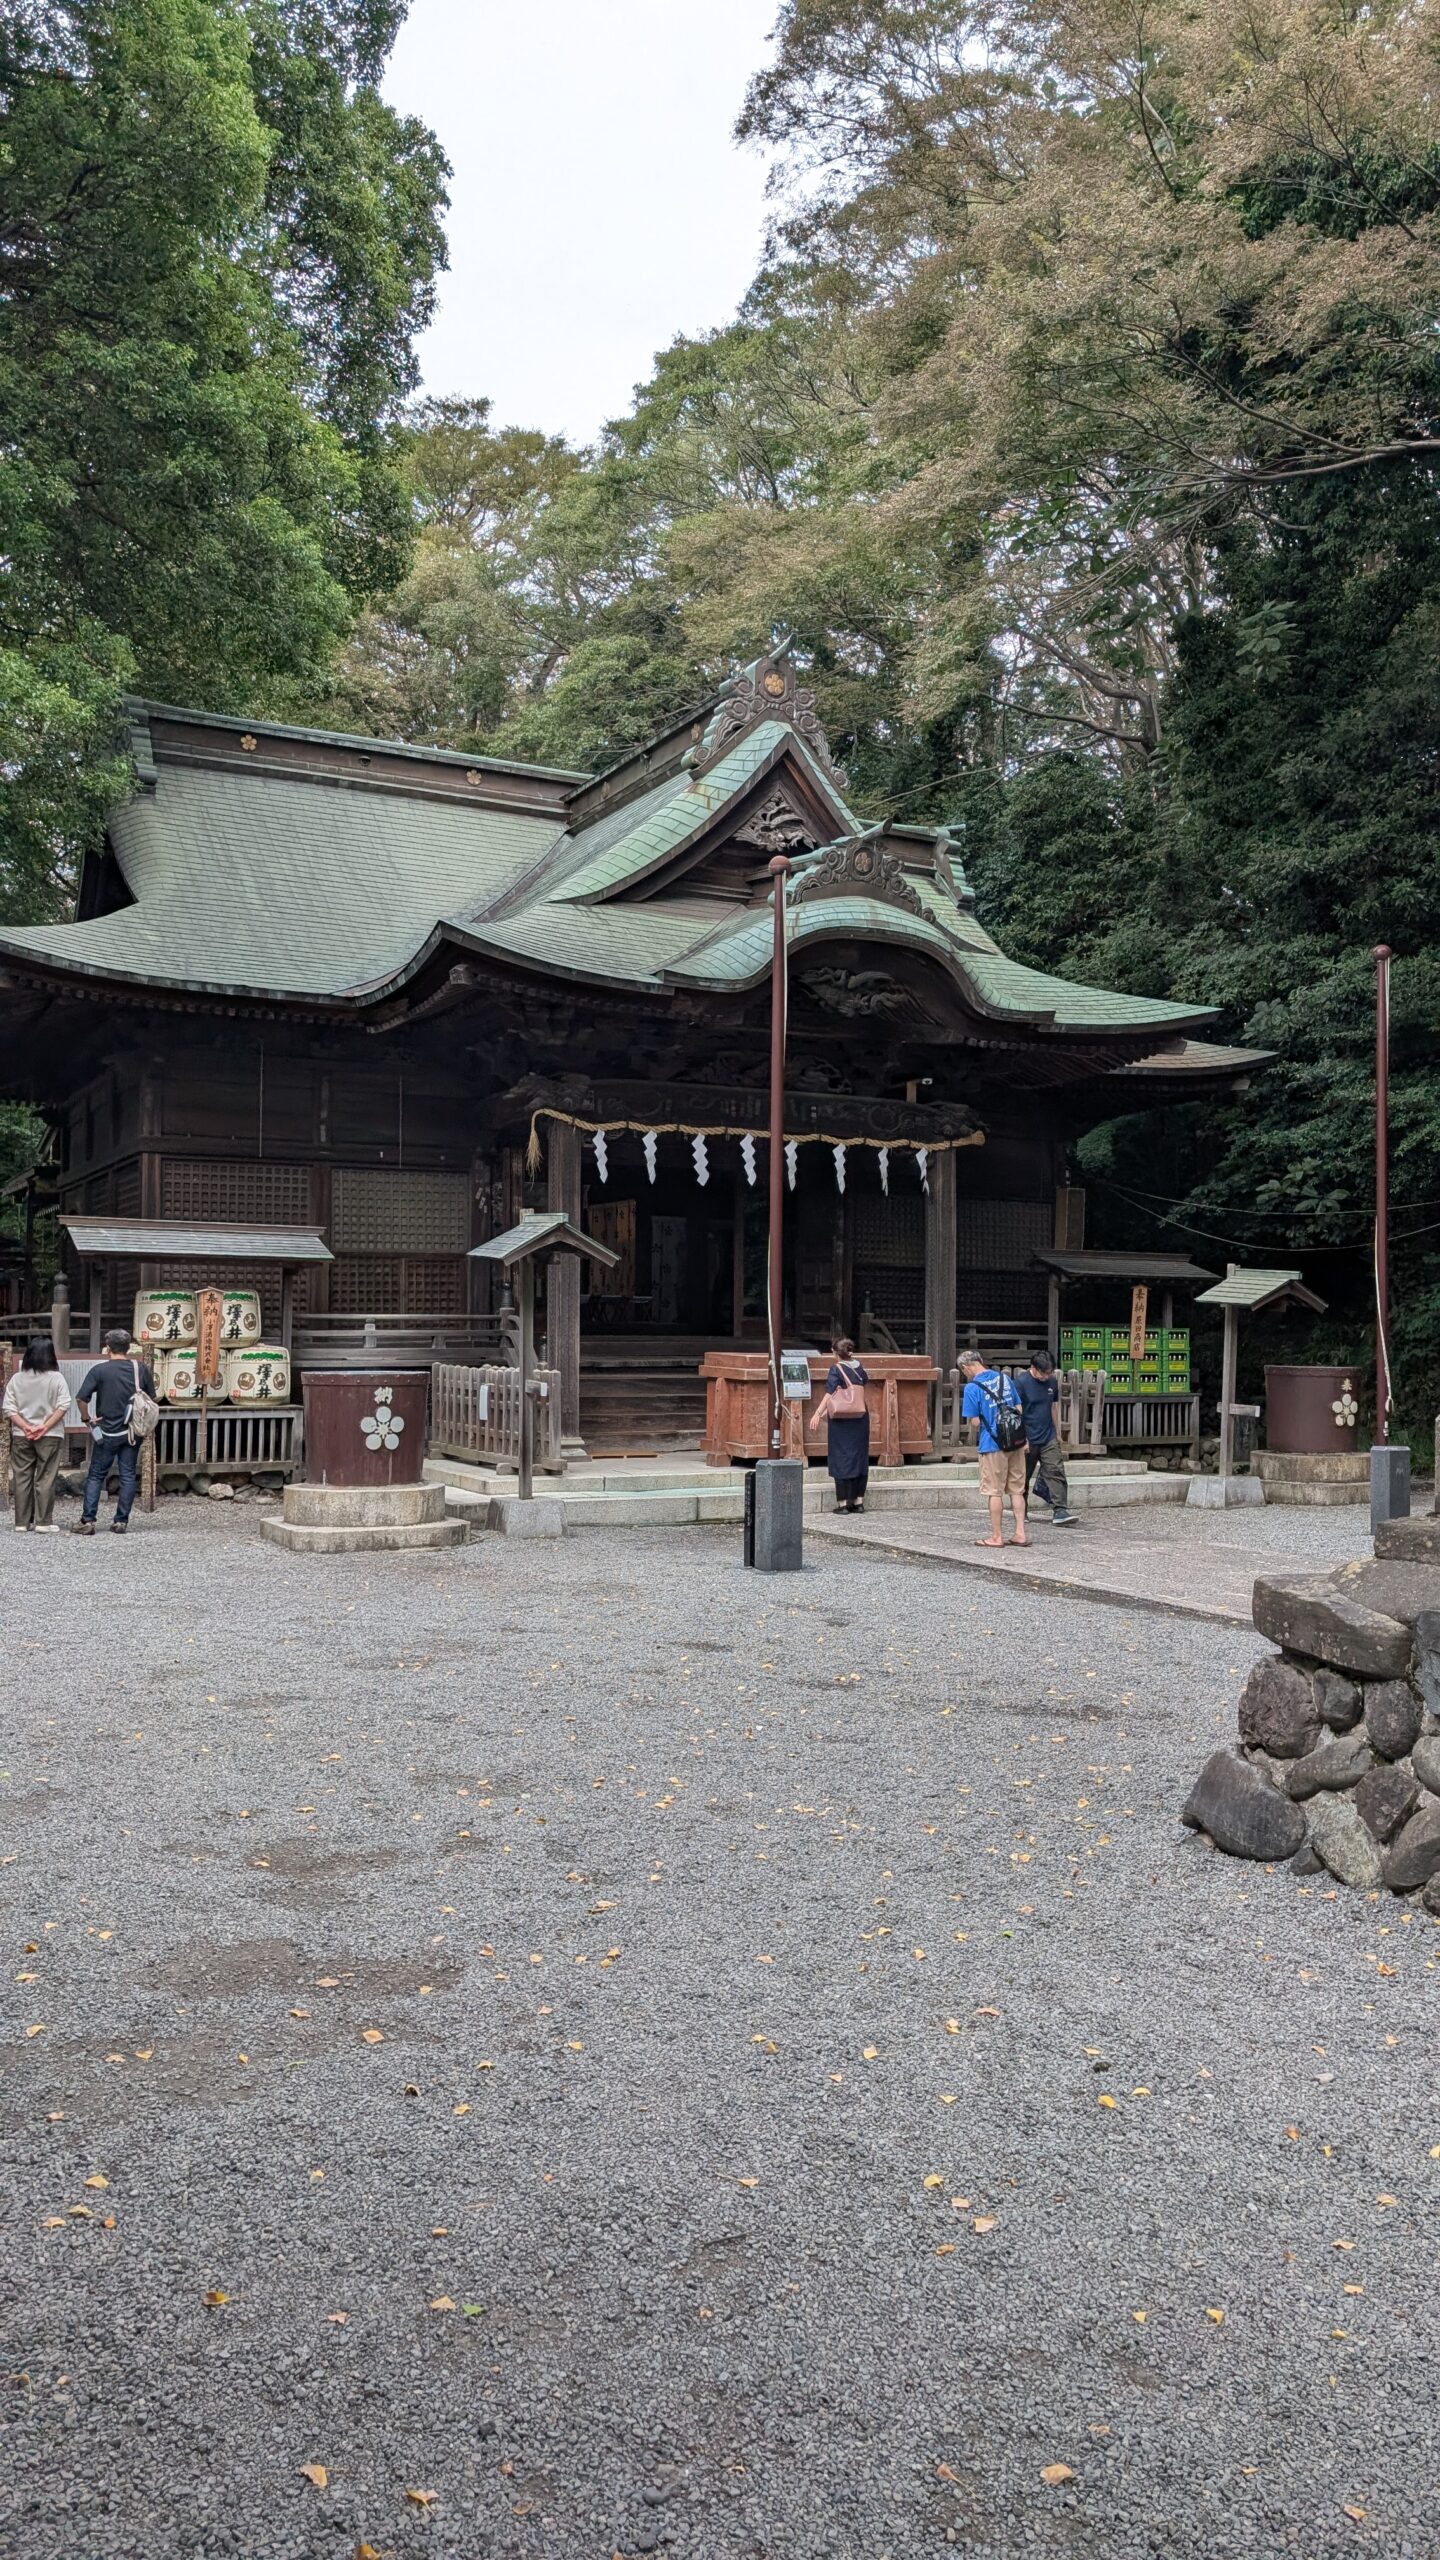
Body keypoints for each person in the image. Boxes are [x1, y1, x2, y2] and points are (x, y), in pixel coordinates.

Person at [74, 1330, 155, 1535]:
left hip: (107, 1431)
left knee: (96, 1475)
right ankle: (121, 1521)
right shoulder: (140, 1369)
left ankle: (88, 1520)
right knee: (128, 1474)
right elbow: (151, 1398)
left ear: (108, 1347)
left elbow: (81, 1398)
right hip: (132, 1431)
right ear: (128, 1348)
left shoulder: (99, 1371)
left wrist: (87, 1419)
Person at [959, 1349, 1028, 1547]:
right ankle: (1020, 1533)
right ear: (980, 1361)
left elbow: (973, 1421)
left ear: (966, 1367)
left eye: (964, 1371)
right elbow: (1019, 1408)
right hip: (1016, 1440)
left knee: (994, 1491)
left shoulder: (972, 1388)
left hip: (992, 1443)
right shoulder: (1004, 1379)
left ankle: (996, 1536)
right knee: (1017, 1489)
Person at [3, 1337, 72, 1531]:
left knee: (21, 1477)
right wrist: (44, 1426)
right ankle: (43, 1522)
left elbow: (8, 1407)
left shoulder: (17, 1378)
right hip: (51, 1435)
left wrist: (25, 1427)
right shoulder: (56, 1378)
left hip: (21, 1435)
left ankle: (21, 1523)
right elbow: (64, 1404)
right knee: (46, 1477)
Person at [1015, 1348, 1079, 1526]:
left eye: (1049, 1373)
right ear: (1033, 1368)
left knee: (1055, 1470)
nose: (1046, 1376)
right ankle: (1022, 1510)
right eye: (1043, 1373)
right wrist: (1021, 1438)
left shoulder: (1052, 1382)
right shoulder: (1020, 1383)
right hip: (1027, 1435)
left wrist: (1057, 1431)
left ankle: (1060, 1510)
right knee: (1023, 1476)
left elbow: (1053, 1406)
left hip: (1048, 1434)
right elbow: (1016, 1412)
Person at [813, 1336, 870, 1512]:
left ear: (835, 1352)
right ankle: (859, 1501)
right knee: (859, 1457)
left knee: (841, 1456)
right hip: (860, 1417)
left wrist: (818, 1413)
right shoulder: (859, 1367)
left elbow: (830, 1393)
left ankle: (843, 1503)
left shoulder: (836, 1369)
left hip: (841, 1419)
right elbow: (865, 1382)